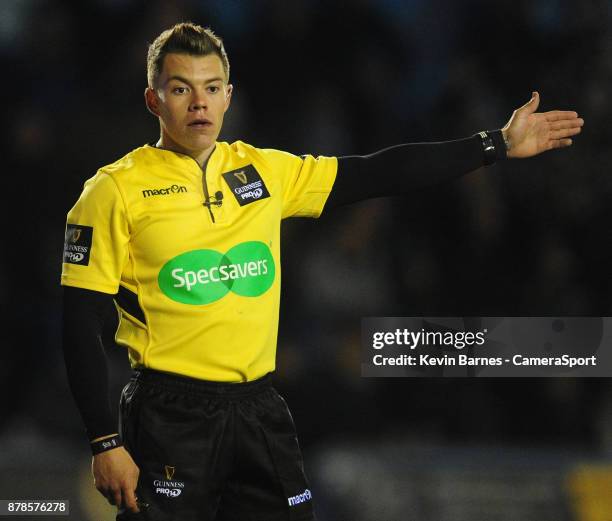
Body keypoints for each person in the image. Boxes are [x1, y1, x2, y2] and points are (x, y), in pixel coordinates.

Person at [61, 22, 583, 521]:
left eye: (211, 87)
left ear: (228, 96)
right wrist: (104, 441)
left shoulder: (264, 171)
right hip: (169, 415)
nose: (199, 102)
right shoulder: (113, 191)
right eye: (181, 88)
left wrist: (496, 144)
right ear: (154, 99)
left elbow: (377, 171)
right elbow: (78, 322)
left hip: (258, 407)